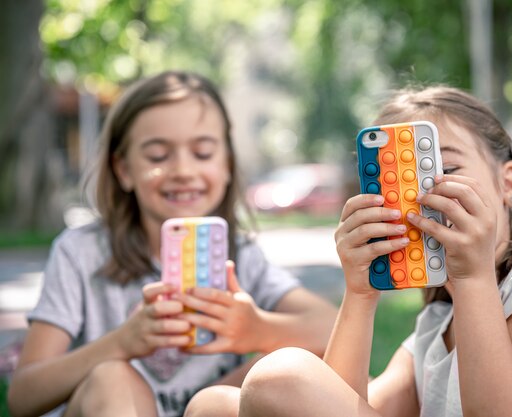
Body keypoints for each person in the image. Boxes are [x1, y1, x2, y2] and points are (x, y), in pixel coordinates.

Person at [234, 86, 512, 417]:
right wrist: (360, 293)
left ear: (508, 184)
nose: (423, 197)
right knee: (214, 405)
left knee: (280, 377)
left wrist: (473, 279)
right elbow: (336, 402)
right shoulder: (437, 323)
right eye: (397, 183)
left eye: (447, 169)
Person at [7, 70, 338, 417]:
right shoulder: (80, 253)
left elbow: (330, 328)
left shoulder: (239, 255)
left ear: (226, 164)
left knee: (283, 364)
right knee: (111, 377)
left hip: (204, 410)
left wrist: (256, 330)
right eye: (157, 156)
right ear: (123, 170)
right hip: (111, 405)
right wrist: (121, 343)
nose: (182, 169)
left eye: (203, 152)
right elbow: (23, 395)